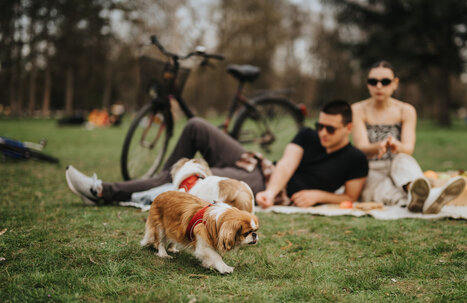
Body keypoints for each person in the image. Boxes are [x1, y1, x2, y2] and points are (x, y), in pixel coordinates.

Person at [66, 100, 368, 208]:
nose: (322, 133)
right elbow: (286, 163)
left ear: (348, 128)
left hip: (258, 186)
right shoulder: (308, 135)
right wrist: (274, 187)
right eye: (320, 125)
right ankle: (162, 181)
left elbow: (352, 197)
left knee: (194, 179)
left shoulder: (355, 159)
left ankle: (104, 191)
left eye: (330, 129)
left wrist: (318, 196)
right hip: (264, 173)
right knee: (196, 126)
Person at [351, 61, 465, 214]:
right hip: (371, 169)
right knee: (384, 190)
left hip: (397, 165)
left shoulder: (406, 110)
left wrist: (396, 145)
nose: (378, 86)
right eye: (373, 81)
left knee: (404, 161)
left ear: (395, 83)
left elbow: (408, 148)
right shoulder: (358, 109)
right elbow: (361, 147)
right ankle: (420, 200)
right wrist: (378, 146)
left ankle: (417, 191)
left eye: (385, 81)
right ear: (368, 84)